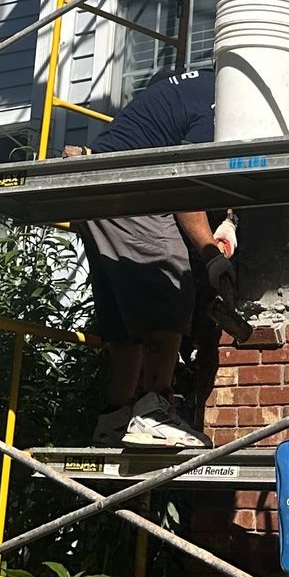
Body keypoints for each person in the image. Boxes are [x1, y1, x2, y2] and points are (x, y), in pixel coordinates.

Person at [79, 63, 236, 453]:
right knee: (171, 284)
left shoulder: (198, 85)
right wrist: (209, 255)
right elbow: (186, 186)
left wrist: (229, 220)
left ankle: (115, 419)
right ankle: (152, 414)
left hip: (92, 187)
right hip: (132, 188)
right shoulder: (220, 105)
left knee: (125, 324)